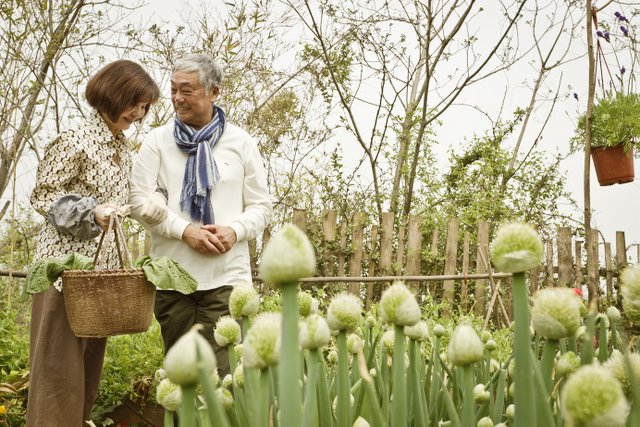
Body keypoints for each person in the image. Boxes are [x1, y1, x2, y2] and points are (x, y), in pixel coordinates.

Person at [27, 60, 160, 427]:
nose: (139, 113)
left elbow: (129, 200)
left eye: (145, 106)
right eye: (135, 102)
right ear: (112, 94)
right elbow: (43, 194)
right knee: (57, 378)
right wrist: (91, 212)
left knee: (84, 379)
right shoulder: (75, 139)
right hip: (65, 275)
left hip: (101, 281)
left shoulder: (124, 147)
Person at [129, 54, 272, 377]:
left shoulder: (241, 142)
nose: (177, 98)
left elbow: (262, 207)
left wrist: (234, 230)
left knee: (223, 379)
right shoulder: (157, 142)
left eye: (187, 90)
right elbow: (139, 203)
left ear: (214, 92)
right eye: (174, 89)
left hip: (226, 281)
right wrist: (185, 231)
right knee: (182, 382)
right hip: (173, 280)